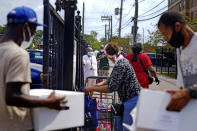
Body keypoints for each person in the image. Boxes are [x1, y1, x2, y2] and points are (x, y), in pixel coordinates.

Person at [0, 6, 67, 130]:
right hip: (15, 126)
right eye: (34, 29)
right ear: (25, 27)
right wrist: (48, 102)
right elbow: (12, 96)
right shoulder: (18, 54)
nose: (34, 33)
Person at [83, 43, 141, 131]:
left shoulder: (121, 64)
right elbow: (111, 79)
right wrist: (99, 84)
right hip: (126, 99)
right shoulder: (120, 61)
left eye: (106, 55)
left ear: (109, 56)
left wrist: (91, 88)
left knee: (127, 128)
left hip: (132, 100)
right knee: (119, 127)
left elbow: (110, 88)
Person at [158, 11, 197, 111]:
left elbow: (187, 92)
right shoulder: (179, 50)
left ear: (177, 26)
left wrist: (190, 92)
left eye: (166, 34)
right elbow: (182, 86)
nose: (166, 40)